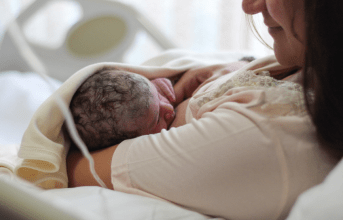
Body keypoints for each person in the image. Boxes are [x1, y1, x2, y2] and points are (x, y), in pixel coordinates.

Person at [67, 0, 343, 219]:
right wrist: (226, 71)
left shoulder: (263, 135)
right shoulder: (309, 68)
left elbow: (72, 167)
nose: (249, 5)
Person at [69, 67, 176, 152]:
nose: (169, 108)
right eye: (157, 120)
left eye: (158, 94)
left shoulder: (145, 100)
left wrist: (161, 83)